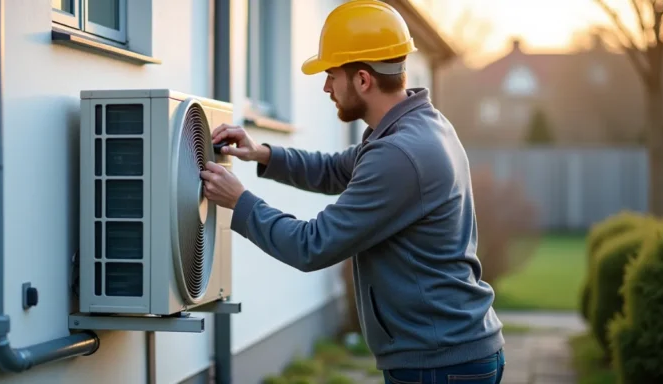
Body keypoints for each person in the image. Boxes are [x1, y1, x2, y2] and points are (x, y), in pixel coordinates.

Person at [199, 1, 505, 383]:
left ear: (363, 79)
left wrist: (239, 202)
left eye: (331, 74)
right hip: (449, 352)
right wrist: (262, 153)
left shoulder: (400, 153)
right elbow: (335, 169)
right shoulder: (417, 126)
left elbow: (312, 245)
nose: (326, 87)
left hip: (439, 363)